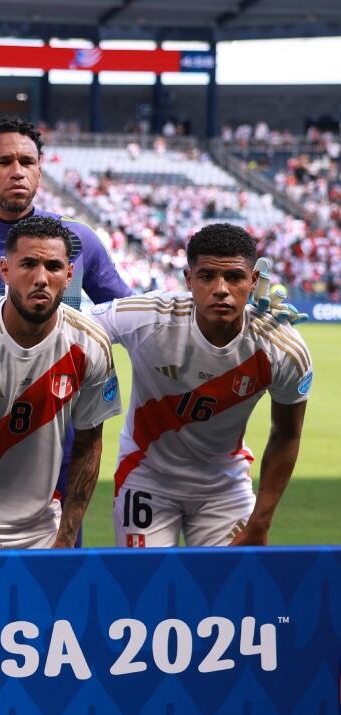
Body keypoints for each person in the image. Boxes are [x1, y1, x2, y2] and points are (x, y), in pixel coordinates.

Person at [89, 224, 310, 546]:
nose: (221, 289)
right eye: (207, 276)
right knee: (146, 587)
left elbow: (287, 433)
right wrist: (4, 309)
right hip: (146, 478)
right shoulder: (149, 316)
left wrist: (261, 520)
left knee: (228, 591)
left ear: (253, 281)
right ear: (188, 279)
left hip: (224, 489)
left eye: (234, 277)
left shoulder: (282, 348)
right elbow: (71, 327)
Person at [0, 217, 121, 550]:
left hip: (41, 530)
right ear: (4, 270)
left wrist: (68, 536)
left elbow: (89, 442)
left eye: (54, 266)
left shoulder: (89, 342)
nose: (41, 278)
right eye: (28, 264)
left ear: (69, 275)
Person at [0, 117, 130, 322]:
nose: (18, 172)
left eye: (27, 162)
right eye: (4, 162)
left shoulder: (78, 238)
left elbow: (129, 317)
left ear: (38, 173)